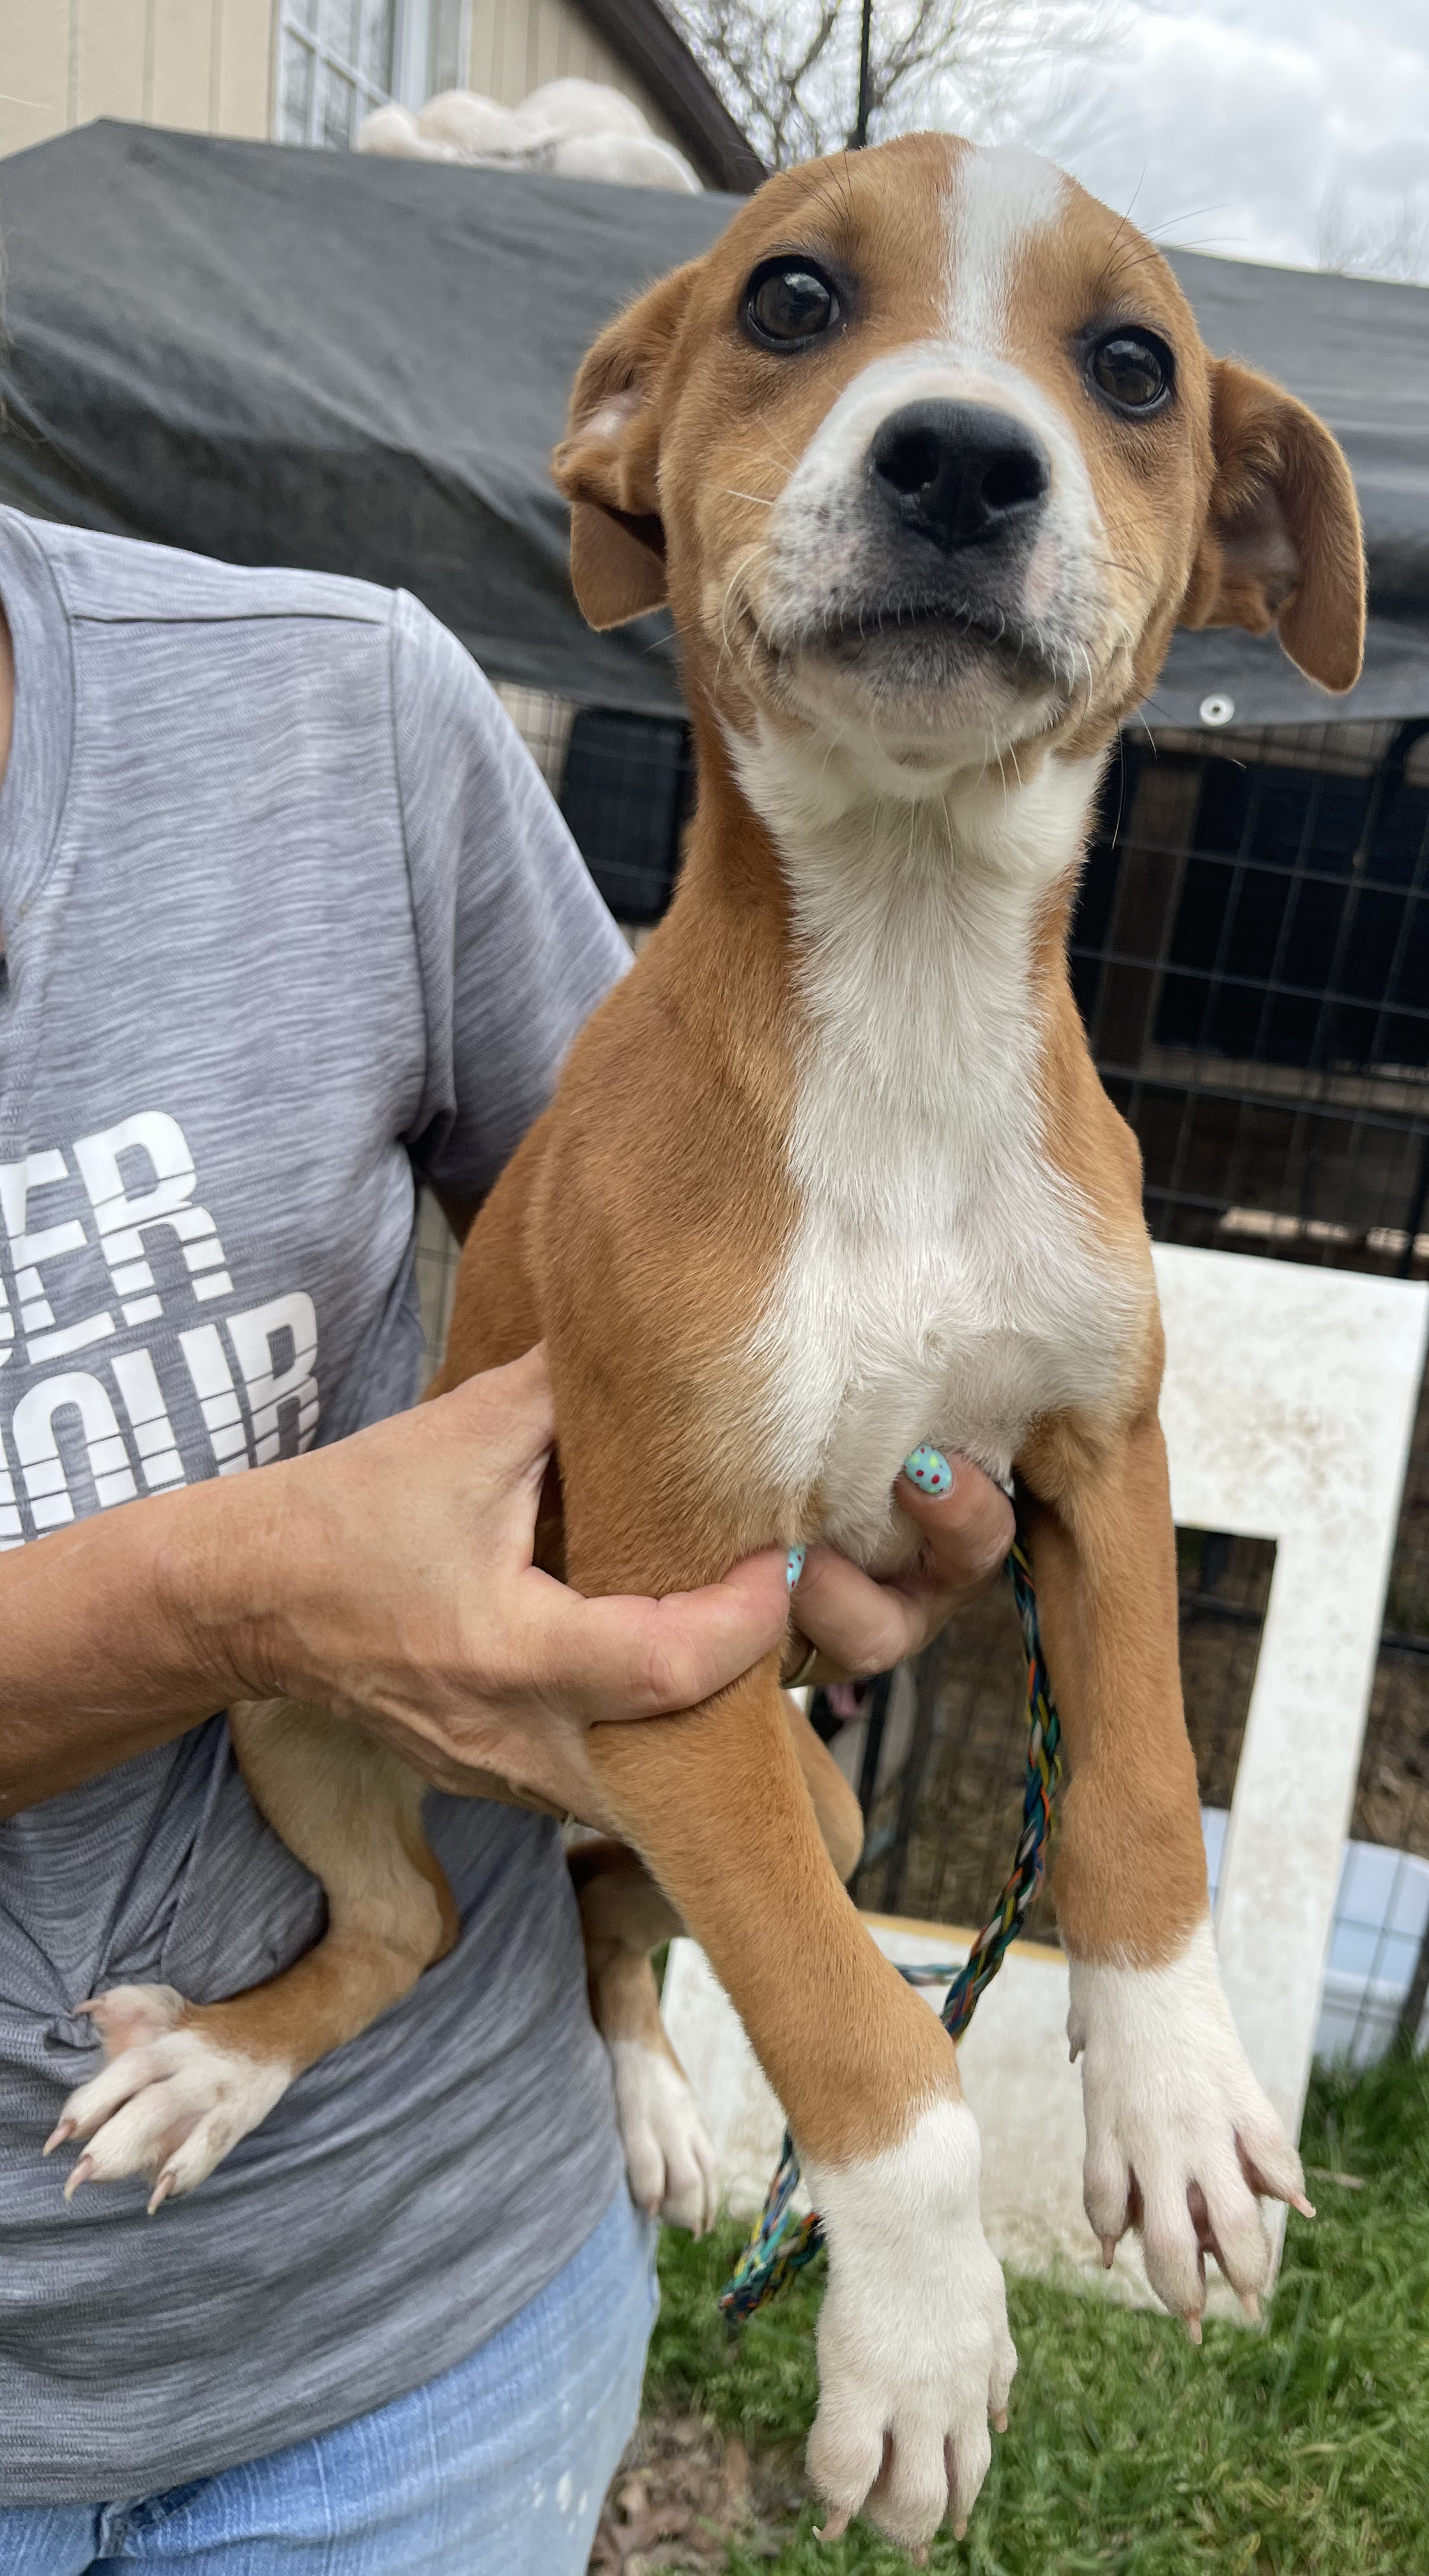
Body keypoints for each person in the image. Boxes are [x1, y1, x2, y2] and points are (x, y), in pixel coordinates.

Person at [0, 505, 1013, 2573]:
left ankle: (611, 1981)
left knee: (766, 1785)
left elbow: (648, 1208)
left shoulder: (341, 703)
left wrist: (866, 1435)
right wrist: (235, 1598)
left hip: (429, 2315)